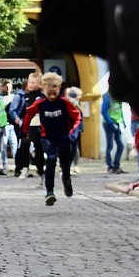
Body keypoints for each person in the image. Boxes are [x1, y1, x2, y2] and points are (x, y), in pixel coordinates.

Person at [22, 72, 82, 206]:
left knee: (65, 165)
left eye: (54, 90)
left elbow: (77, 117)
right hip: (47, 137)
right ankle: (49, 192)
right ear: (43, 88)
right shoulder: (40, 103)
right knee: (51, 159)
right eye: (49, 92)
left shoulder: (65, 103)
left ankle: (66, 180)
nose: (52, 96)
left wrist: (73, 133)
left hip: (64, 137)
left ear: (59, 88)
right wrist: (24, 131)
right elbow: (28, 114)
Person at [14, 72, 45, 181]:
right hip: (29, 125)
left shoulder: (42, 96)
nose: (30, 85)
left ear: (40, 84)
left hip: (39, 125)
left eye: (33, 82)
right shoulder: (26, 96)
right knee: (24, 144)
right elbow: (24, 109)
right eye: (29, 82)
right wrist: (18, 118)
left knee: (39, 149)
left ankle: (40, 170)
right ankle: (25, 167)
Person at [102, 91, 126, 174]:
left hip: (117, 122)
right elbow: (103, 111)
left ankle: (116, 165)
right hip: (108, 123)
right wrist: (111, 123)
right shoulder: (107, 96)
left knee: (120, 145)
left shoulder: (118, 95)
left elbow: (120, 109)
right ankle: (110, 167)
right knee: (110, 145)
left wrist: (123, 121)